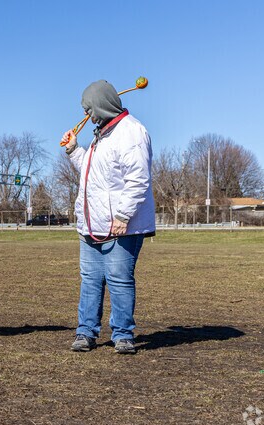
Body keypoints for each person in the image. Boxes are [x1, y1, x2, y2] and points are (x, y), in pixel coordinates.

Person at [61, 80, 155, 354]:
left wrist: (123, 215)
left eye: (89, 108)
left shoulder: (131, 132)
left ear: (100, 105)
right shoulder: (101, 135)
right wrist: (74, 151)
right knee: (90, 278)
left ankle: (123, 334)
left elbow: (138, 179)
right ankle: (85, 332)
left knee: (118, 278)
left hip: (122, 225)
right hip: (92, 223)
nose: (87, 115)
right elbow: (93, 174)